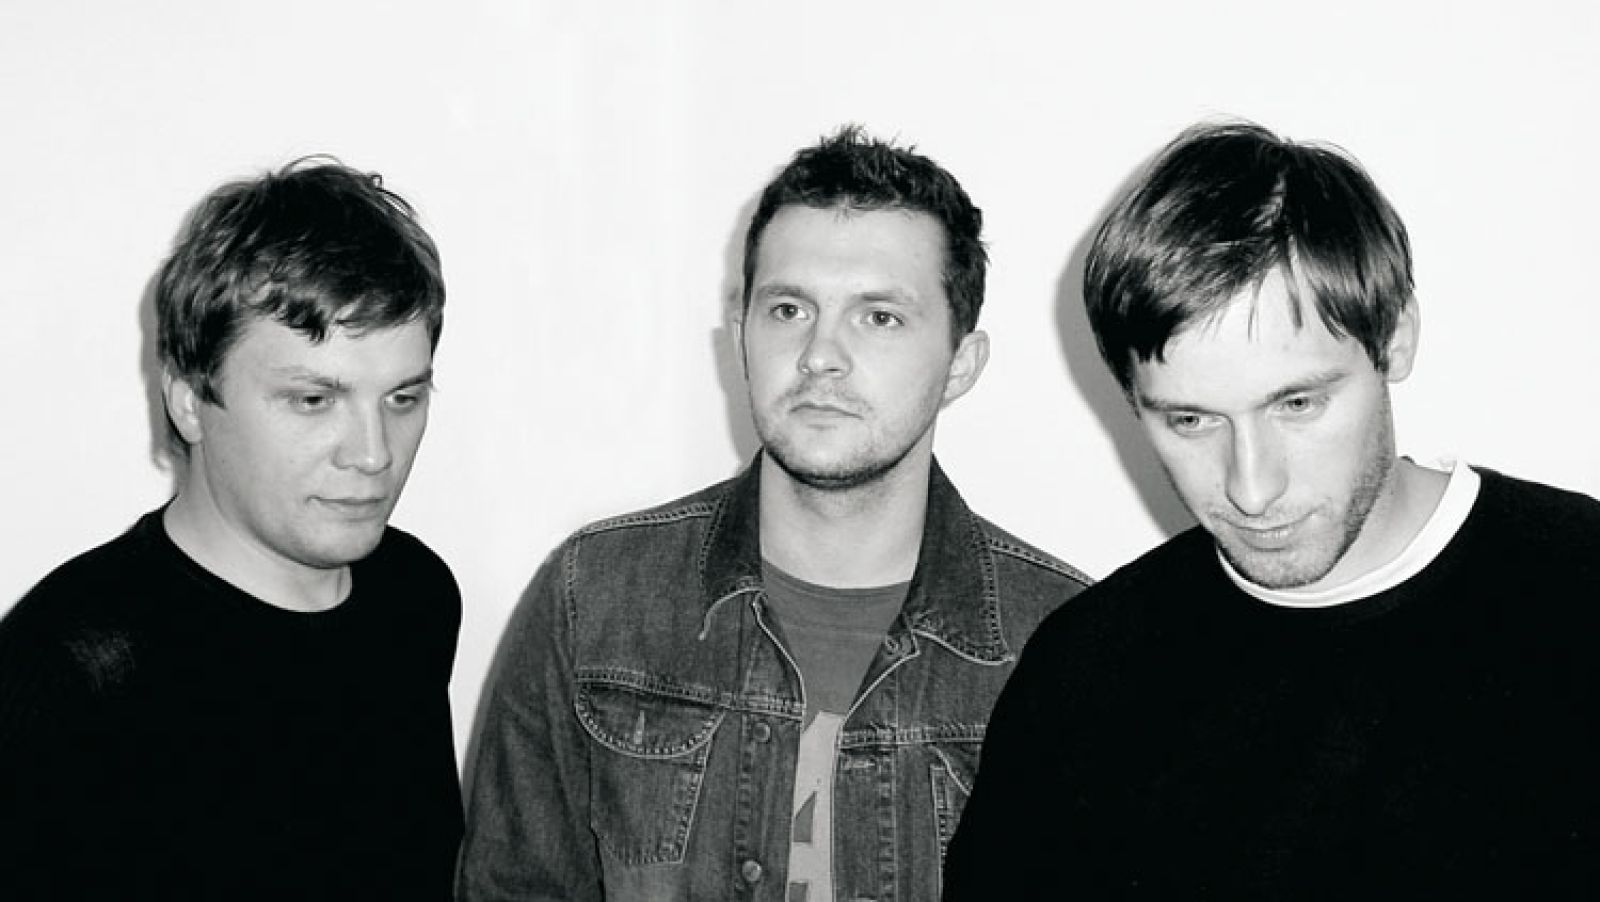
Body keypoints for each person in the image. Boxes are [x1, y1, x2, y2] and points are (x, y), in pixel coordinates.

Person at [943, 121, 1600, 898]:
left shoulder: (1577, 591)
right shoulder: (1086, 669)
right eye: (1192, 421)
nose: (1251, 489)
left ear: (1394, 339)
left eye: (1297, 404)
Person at [456, 125, 1091, 901]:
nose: (820, 354)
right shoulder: (595, 599)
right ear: (740, 336)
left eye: (879, 317)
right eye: (789, 309)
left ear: (961, 363)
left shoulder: (1066, 643)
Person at [0, 159, 463, 900]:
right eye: (314, 400)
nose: (374, 453)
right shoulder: (69, 672)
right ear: (189, 400)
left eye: (402, 398)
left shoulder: (414, 593)